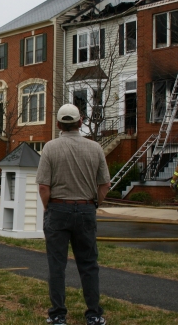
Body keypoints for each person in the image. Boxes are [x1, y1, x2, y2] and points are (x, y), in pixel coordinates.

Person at [35, 104, 110, 325]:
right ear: (80, 122)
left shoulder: (50, 148)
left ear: (58, 124)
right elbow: (105, 184)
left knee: (57, 264)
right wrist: (93, 204)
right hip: (86, 207)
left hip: (58, 207)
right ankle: (94, 314)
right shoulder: (95, 148)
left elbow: (43, 187)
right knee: (88, 263)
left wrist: (49, 208)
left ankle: (58, 314)